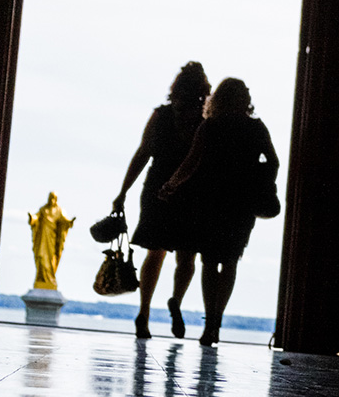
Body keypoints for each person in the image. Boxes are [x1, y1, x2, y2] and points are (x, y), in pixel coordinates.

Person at [159, 78, 279, 347]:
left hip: (210, 201)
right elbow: (274, 161)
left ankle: (208, 324)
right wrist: (261, 183)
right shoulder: (256, 128)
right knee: (231, 262)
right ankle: (217, 323)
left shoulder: (210, 126)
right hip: (242, 202)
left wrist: (170, 185)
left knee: (209, 262)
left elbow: (191, 162)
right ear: (242, 99)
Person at [113, 61, 211, 339]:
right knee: (187, 256)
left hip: (156, 187)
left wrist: (123, 191)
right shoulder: (205, 120)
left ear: (176, 87)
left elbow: (143, 153)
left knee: (154, 253)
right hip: (193, 191)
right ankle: (176, 301)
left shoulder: (161, 115)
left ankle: (143, 313)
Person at [28, 192, 75, 289]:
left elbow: (64, 222)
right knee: (41, 257)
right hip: (42, 238)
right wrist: (32, 218)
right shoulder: (43, 209)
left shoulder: (59, 211)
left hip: (51, 239)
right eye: (50, 198)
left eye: (53, 198)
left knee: (50, 259)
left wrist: (70, 222)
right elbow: (36, 217)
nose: (51, 200)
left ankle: (49, 279)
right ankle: (41, 279)